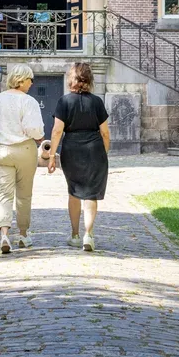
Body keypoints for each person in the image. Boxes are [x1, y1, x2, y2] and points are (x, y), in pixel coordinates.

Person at [0, 63, 44, 253]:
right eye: (30, 79)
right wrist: (39, 137)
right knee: (24, 195)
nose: (32, 83)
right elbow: (34, 129)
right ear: (22, 80)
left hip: (1, 151)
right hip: (24, 150)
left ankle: (4, 235)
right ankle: (23, 235)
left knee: (4, 195)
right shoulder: (29, 101)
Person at [46, 61, 110, 251]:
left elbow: (57, 131)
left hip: (71, 149)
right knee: (91, 194)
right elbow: (105, 132)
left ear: (70, 80)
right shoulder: (97, 102)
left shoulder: (64, 101)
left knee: (74, 191)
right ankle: (88, 235)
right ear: (89, 80)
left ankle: (74, 235)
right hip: (94, 148)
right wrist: (103, 152)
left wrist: (51, 156)